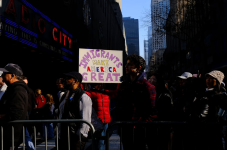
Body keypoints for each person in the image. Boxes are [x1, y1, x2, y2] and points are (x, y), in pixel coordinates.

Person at [116, 54, 157, 150]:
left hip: (140, 131)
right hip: (125, 129)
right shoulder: (124, 85)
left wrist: (141, 125)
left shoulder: (147, 86)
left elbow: (153, 111)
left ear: (138, 68)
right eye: (126, 64)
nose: (126, 66)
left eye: (130, 64)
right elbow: (119, 105)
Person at [190, 70, 227, 150]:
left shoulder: (219, 95)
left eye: (211, 78)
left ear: (217, 81)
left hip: (212, 132)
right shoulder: (202, 93)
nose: (208, 80)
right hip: (202, 132)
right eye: (207, 78)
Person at [59, 71, 92, 150]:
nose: (65, 81)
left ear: (76, 81)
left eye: (68, 79)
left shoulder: (83, 97)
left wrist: (80, 137)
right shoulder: (65, 95)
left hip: (75, 138)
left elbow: (85, 119)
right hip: (64, 135)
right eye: (65, 78)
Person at [0, 63, 29, 150]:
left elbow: (17, 113)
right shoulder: (12, 88)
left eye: (5, 74)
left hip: (11, 134)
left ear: (12, 75)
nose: (2, 75)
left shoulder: (18, 90)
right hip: (8, 133)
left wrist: (1, 116)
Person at [87, 83, 111, 150]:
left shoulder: (106, 92)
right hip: (97, 121)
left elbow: (116, 93)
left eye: (101, 84)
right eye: (98, 84)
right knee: (99, 141)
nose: (100, 86)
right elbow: (83, 94)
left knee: (103, 139)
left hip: (106, 120)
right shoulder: (91, 93)